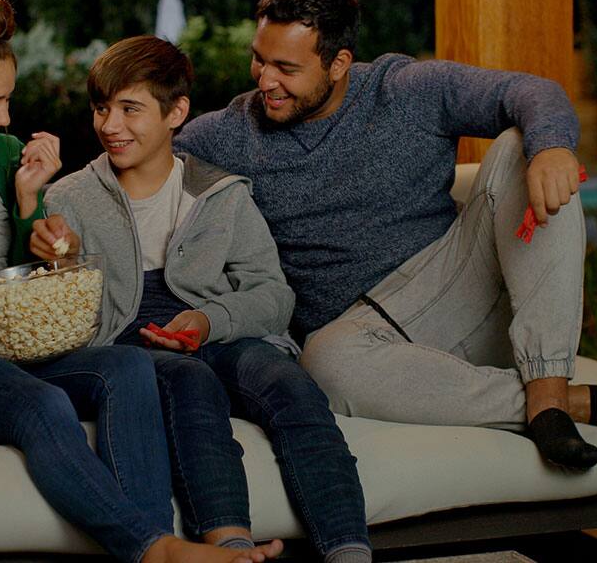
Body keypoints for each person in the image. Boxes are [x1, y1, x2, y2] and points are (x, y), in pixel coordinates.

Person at [0, 0, 274, 563]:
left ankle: (156, 540)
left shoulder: (4, 156)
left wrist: (33, 211)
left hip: (9, 330)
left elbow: (27, 278)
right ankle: (153, 548)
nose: (5, 118)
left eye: (8, 100)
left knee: (128, 366)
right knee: (41, 405)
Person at [172, 0, 597, 471]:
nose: (266, 80)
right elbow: (149, 157)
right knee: (324, 364)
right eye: (259, 60)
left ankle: (548, 391)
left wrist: (551, 147)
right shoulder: (230, 133)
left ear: (338, 63)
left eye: (286, 67)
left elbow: (529, 92)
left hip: (459, 289)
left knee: (518, 146)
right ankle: (568, 406)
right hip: (367, 343)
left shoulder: (404, 90)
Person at [32, 36, 369, 563]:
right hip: (128, 344)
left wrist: (208, 321)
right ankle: (229, 548)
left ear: (176, 113)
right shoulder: (68, 199)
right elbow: (58, 325)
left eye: (130, 109)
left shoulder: (221, 193)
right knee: (190, 381)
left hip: (216, 330)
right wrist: (65, 262)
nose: (111, 125)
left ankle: (349, 550)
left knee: (290, 385)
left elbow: (274, 296)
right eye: (101, 108)